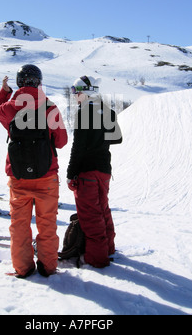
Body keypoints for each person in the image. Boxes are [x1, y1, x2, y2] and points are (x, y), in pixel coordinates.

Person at [0, 65, 68, 278]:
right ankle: (48, 267)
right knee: (47, 223)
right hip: (47, 176)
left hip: (18, 176)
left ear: (19, 82)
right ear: (38, 82)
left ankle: (23, 268)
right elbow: (61, 142)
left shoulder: (9, 107)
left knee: (20, 225)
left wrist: (4, 92)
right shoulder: (49, 107)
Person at [67, 76, 123, 268]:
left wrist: (70, 173)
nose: (74, 96)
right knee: (103, 210)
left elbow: (78, 147)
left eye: (76, 91)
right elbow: (117, 139)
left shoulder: (83, 113)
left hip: (87, 171)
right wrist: (100, 140)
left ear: (85, 91)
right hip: (104, 170)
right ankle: (108, 248)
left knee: (91, 215)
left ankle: (97, 258)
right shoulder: (106, 111)